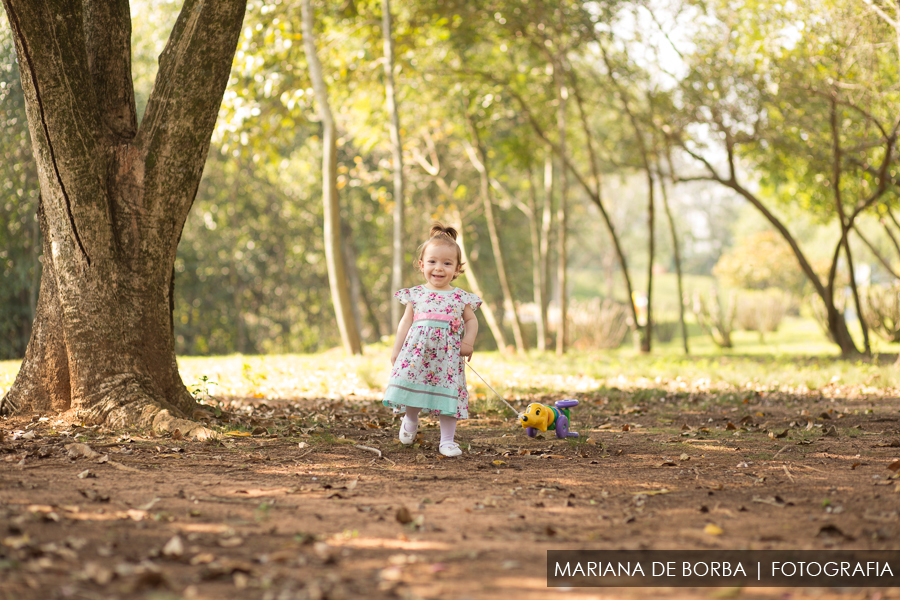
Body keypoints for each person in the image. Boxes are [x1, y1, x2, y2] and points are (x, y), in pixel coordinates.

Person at [383, 223, 481, 457]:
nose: (439, 268)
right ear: (422, 264)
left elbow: (472, 321)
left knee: (449, 395)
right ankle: (410, 418)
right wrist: (397, 350)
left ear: (457, 268)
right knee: (414, 388)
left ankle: (447, 440)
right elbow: (405, 323)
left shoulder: (460, 297)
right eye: (433, 262)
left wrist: (468, 341)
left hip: (447, 358)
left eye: (447, 263)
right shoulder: (416, 294)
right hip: (418, 354)